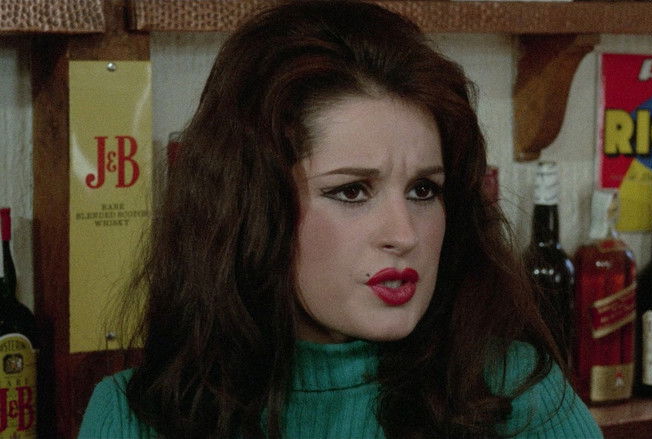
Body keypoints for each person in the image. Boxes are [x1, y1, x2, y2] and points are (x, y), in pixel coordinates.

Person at [78, 1, 602, 438]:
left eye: (423, 190)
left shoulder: (519, 394)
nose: (404, 234)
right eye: (351, 191)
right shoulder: (133, 417)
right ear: (250, 209)